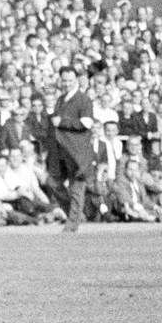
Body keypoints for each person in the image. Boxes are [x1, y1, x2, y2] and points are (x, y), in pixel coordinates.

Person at [50, 64, 96, 232]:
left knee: (76, 188)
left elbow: (87, 123)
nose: (67, 83)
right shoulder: (61, 99)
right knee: (53, 182)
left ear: (76, 79)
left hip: (77, 151)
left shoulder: (84, 99)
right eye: (64, 80)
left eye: (70, 80)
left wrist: (63, 122)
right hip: (61, 150)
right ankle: (75, 214)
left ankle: (72, 224)